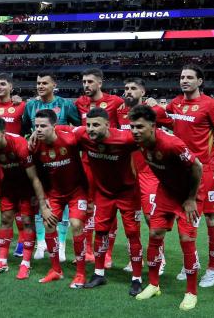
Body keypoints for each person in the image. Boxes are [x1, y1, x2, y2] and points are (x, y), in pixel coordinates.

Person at [128, 105, 203, 311]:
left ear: (153, 127)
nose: (135, 131)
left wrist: (190, 198)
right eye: (132, 126)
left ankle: (191, 292)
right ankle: (153, 284)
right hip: (166, 192)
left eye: (140, 127)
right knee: (154, 232)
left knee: (187, 239)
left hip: (191, 195)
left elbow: (198, 167)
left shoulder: (171, 144)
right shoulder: (139, 142)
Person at [166, 65, 214, 288]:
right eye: (182, 77)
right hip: (183, 172)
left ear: (200, 81)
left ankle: (212, 269)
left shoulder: (211, 105)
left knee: (212, 218)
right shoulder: (175, 104)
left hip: (207, 170)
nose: (184, 80)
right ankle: (190, 262)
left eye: (190, 77)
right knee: (185, 218)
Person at [71, 107, 143, 297]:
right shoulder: (83, 135)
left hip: (128, 193)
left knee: (132, 234)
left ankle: (137, 278)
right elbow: (61, 131)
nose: (91, 129)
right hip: (104, 194)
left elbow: (152, 139)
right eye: (88, 125)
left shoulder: (126, 138)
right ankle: (99, 273)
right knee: (101, 232)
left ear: (108, 125)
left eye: (96, 125)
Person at [0, 117, 53, 280]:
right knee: (5, 219)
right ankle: (2, 261)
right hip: (8, 185)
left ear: (3, 133)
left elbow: (34, 177)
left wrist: (42, 201)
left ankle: (25, 263)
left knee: (27, 221)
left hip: (27, 186)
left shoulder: (20, 146)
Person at [22, 71, 80, 261]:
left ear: (54, 85)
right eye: (38, 82)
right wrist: (31, 135)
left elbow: (78, 129)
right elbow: (24, 131)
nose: (40, 86)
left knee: (60, 205)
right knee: (40, 201)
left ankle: (61, 244)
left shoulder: (65, 105)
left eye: (45, 83)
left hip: (61, 162)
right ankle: (41, 244)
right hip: (38, 159)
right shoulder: (30, 105)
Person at [117, 77, 173, 273]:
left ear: (143, 92)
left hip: (149, 173)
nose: (129, 91)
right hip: (127, 174)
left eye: (133, 88)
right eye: (126, 88)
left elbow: (177, 125)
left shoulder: (155, 111)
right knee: (131, 219)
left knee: (152, 217)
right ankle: (136, 257)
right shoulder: (119, 111)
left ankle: (159, 257)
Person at [31, 109, 89, 287]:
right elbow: (36, 177)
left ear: (54, 126)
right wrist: (43, 203)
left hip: (76, 191)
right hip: (54, 193)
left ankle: (80, 273)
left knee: (77, 224)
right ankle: (56, 270)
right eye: (36, 126)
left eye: (43, 126)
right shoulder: (34, 146)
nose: (39, 129)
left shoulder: (70, 139)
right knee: (49, 224)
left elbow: (88, 130)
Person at [75, 68, 124, 268]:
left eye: (90, 82)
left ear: (100, 83)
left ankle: (108, 253)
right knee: (87, 207)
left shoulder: (116, 102)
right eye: (84, 82)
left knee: (109, 208)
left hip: (110, 164)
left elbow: (125, 128)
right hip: (87, 162)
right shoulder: (79, 103)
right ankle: (88, 251)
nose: (86, 85)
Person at [0, 73, 27, 257]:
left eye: (3, 84)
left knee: (16, 204)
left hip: (14, 163)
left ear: (11, 86)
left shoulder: (21, 105)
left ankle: (23, 240)